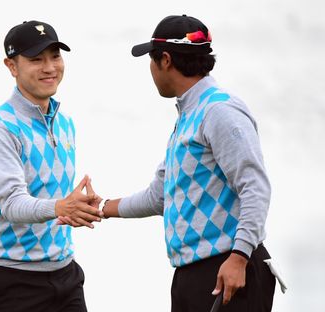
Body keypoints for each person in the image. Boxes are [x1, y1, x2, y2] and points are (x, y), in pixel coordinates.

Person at [60, 14, 276, 312]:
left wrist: (239, 257)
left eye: (150, 60)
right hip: (195, 274)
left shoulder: (219, 110)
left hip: (229, 270)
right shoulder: (190, 114)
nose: (150, 69)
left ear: (165, 60)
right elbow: (160, 196)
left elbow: (255, 187)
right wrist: (100, 208)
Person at [0, 20, 103, 312]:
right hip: (10, 280)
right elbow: (12, 204)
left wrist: (80, 206)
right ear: (11, 66)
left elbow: (53, 197)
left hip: (65, 272)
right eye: (36, 59)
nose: (49, 67)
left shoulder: (64, 122)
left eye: (55, 56)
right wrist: (60, 207)